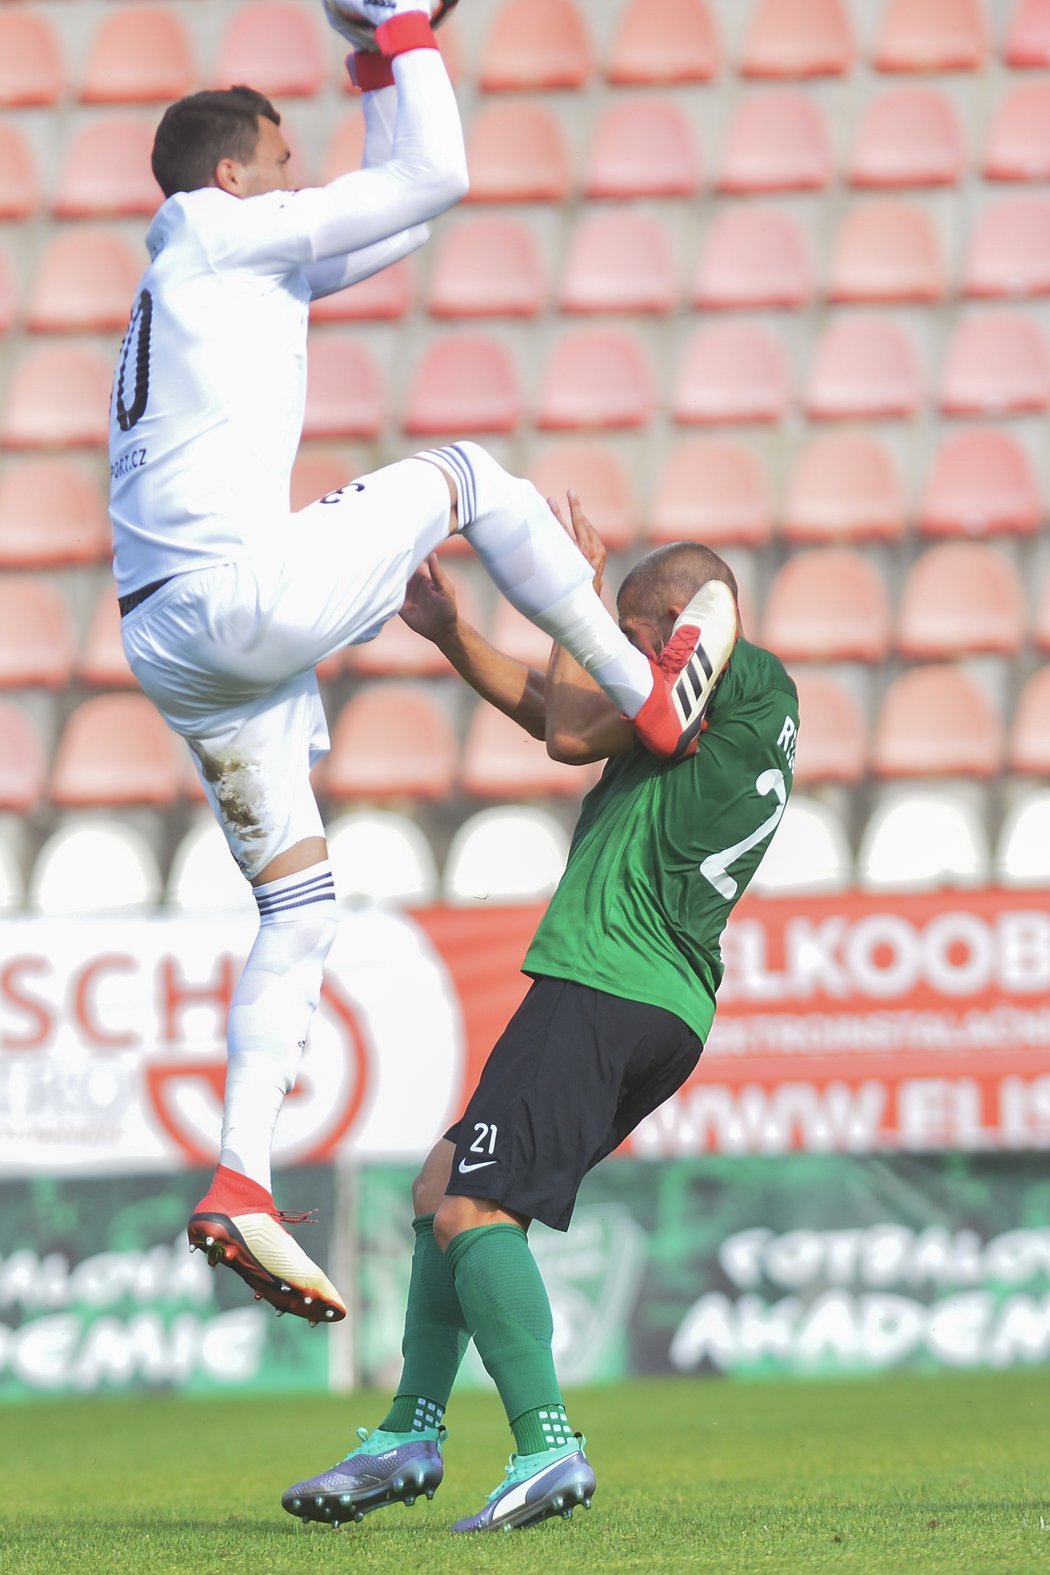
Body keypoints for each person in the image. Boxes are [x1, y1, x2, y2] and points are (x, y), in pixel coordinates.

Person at [107, 0, 728, 1329]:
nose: (297, 174)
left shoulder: (209, 259)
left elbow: (407, 214)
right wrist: (398, 27)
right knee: (466, 475)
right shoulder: (230, 235)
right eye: (283, 157)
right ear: (233, 175)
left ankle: (240, 1174)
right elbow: (434, 174)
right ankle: (638, 693)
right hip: (234, 600)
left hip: (174, 641)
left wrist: (385, 69)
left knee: (298, 909)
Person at [280, 494, 800, 1532]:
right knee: (443, 1186)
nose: (615, 657)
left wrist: (579, 590)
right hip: (654, 997)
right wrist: (455, 634)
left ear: (663, 634)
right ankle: (408, 1434)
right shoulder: (699, 721)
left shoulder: (734, 667)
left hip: (611, 978)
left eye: (629, 643)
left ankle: (546, 1448)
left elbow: (568, 728)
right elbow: (555, 711)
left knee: (477, 1209)